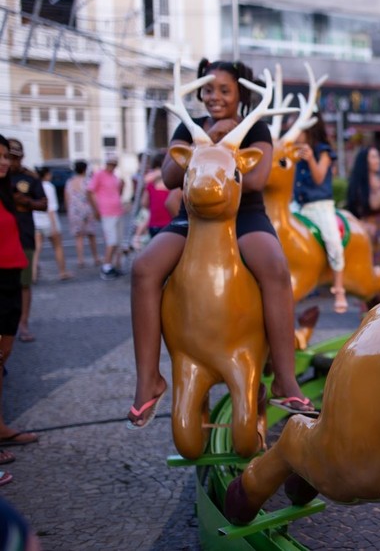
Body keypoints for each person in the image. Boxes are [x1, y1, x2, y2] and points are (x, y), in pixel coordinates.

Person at [127, 58, 315, 429]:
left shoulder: (256, 128)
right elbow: (169, 177)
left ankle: (284, 378)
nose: (215, 97)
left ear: (240, 93)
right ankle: (148, 378)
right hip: (194, 217)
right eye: (208, 89)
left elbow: (257, 180)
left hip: (244, 215)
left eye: (224, 90)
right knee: (143, 269)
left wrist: (227, 141)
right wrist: (208, 137)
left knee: (275, 268)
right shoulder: (190, 126)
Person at [0, 134, 41, 462]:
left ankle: (0, 426)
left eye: (6, 156)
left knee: (2, 360)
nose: (4, 162)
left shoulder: (8, 190)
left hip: (10, 280)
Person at [293, 120, 347, 314]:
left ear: (308, 130)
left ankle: (339, 289)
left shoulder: (322, 151)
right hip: (299, 205)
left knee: (333, 240)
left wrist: (309, 159)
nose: (293, 133)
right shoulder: (294, 151)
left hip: (319, 205)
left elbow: (318, 178)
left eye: (297, 129)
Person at [6, 139, 46, 343]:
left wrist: (25, 202)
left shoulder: (29, 178)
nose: (11, 162)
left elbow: (43, 204)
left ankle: (23, 323)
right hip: (4, 239)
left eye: (15, 158)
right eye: (7, 157)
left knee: (24, 282)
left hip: (24, 236)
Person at [345, 146, 380, 284]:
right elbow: (374, 204)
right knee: (377, 268)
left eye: (377, 156)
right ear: (364, 161)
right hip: (373, 232)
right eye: (373, 157)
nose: (378, 160)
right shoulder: (361, 182)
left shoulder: (378, 180)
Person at [31, 167, 73, 282]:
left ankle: (33, 274)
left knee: (36, 250)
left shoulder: (34, 186)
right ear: (46, 175)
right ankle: (62, 272)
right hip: (49, 221)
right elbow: (51, 208)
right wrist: (54, 225)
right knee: (58, 247)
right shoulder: (49, 187)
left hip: (36, 221)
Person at [87, 156, 125, 280]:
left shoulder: (114, 177)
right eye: (110, 164)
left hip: (117, 211)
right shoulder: (99, 175)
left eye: (114, 164)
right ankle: (106, 266)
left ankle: (113, 265)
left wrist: (122, 186)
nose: (112, 166)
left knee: (118, 240)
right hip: (106, 211)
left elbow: (117, 193)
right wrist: (95, 209)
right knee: (111, 240)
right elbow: (89, 191)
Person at [65, 160, 100, 268]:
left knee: (78, 236)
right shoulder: (88, 181)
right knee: (91, 235)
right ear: (85, 169)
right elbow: (92, 197)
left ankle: (80, 260)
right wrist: (96, 209)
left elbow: (67, 198)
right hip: (87, 209)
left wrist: (68, 211)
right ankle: (95, 257)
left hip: (74, 210)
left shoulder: (70, 182)